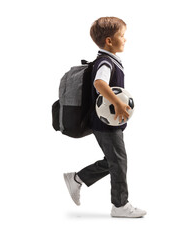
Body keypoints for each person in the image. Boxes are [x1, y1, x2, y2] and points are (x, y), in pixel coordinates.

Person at [63, 17, 146, 218]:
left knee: (115, 160)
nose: (125, 39)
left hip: (105, 122)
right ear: (109, 41)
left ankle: (77, 178)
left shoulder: (108, 60)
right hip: (105, 124)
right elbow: (100, 83)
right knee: (118, 162)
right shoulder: (105, 62)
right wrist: (117, 103)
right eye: (122, 35)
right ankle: (120, 205)